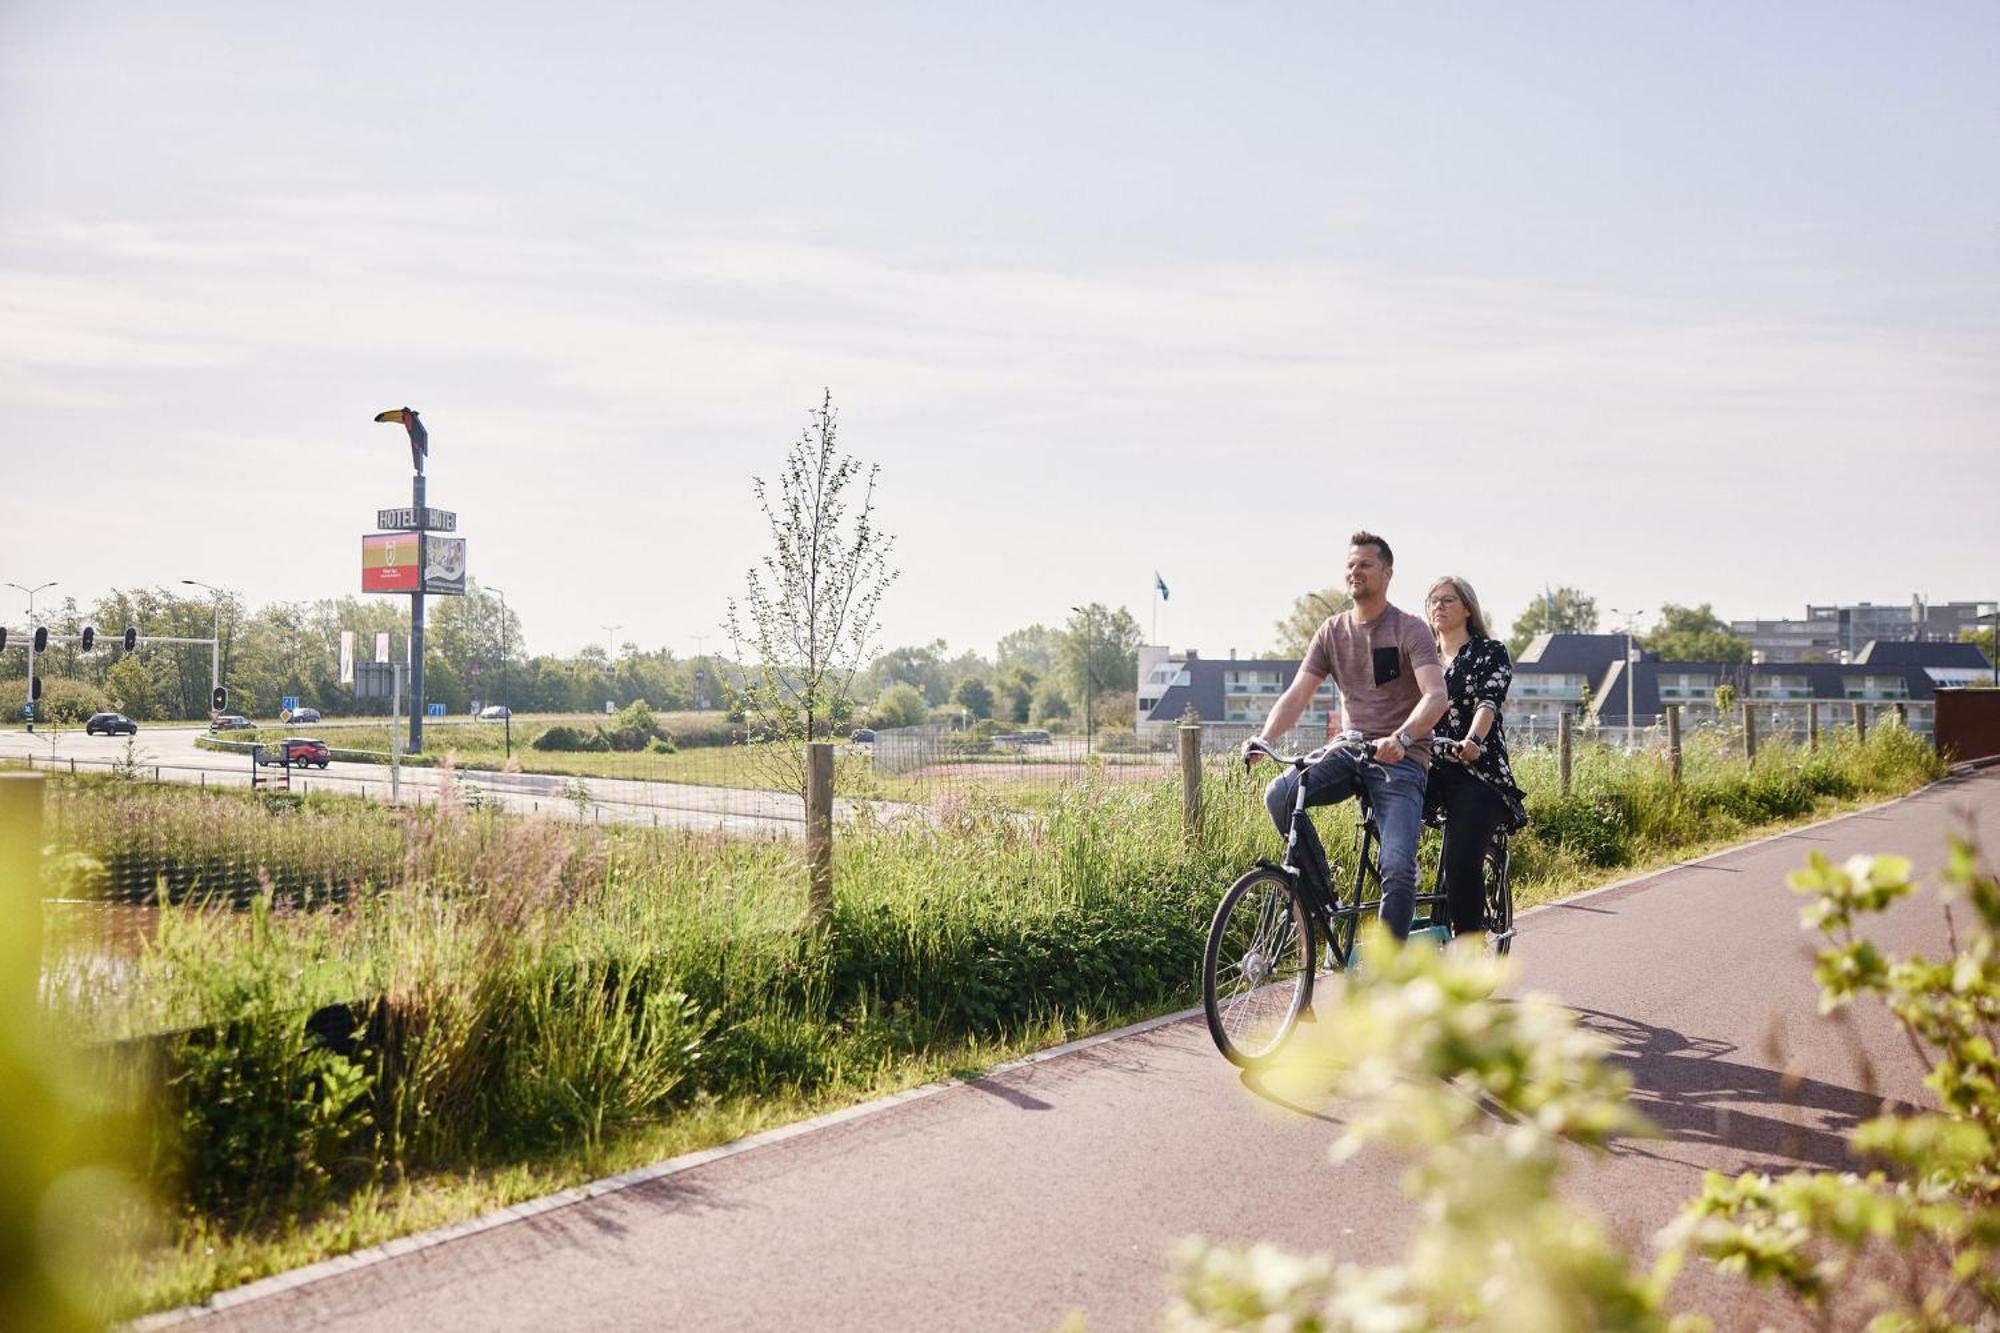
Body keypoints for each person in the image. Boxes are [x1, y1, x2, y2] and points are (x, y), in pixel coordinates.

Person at [1245, 532, 1448, 940]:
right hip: (1351, 751)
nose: (1355, 571)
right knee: (1280, 795)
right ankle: (1322, 902)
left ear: (1387, 574)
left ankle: (1390, 968)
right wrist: (1264, 740)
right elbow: (1298, 693)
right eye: (1351, 565)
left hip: (1401, 760)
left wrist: (1403, 739)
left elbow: (1436, 696)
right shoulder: (1331, 631)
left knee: (1397, 866)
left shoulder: (1409, 629)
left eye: (1366, 565)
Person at [1422, 575, 1528, 941]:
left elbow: (1488, 701)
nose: (1438, 606)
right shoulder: (1422, 657)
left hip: (1477, 772)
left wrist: (1473, 740)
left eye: (1448, 600)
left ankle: (1469, 948)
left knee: (1461, 861)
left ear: (1467, 608)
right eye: (1433, 600)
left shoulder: (1489, 652)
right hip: (1429, 769)